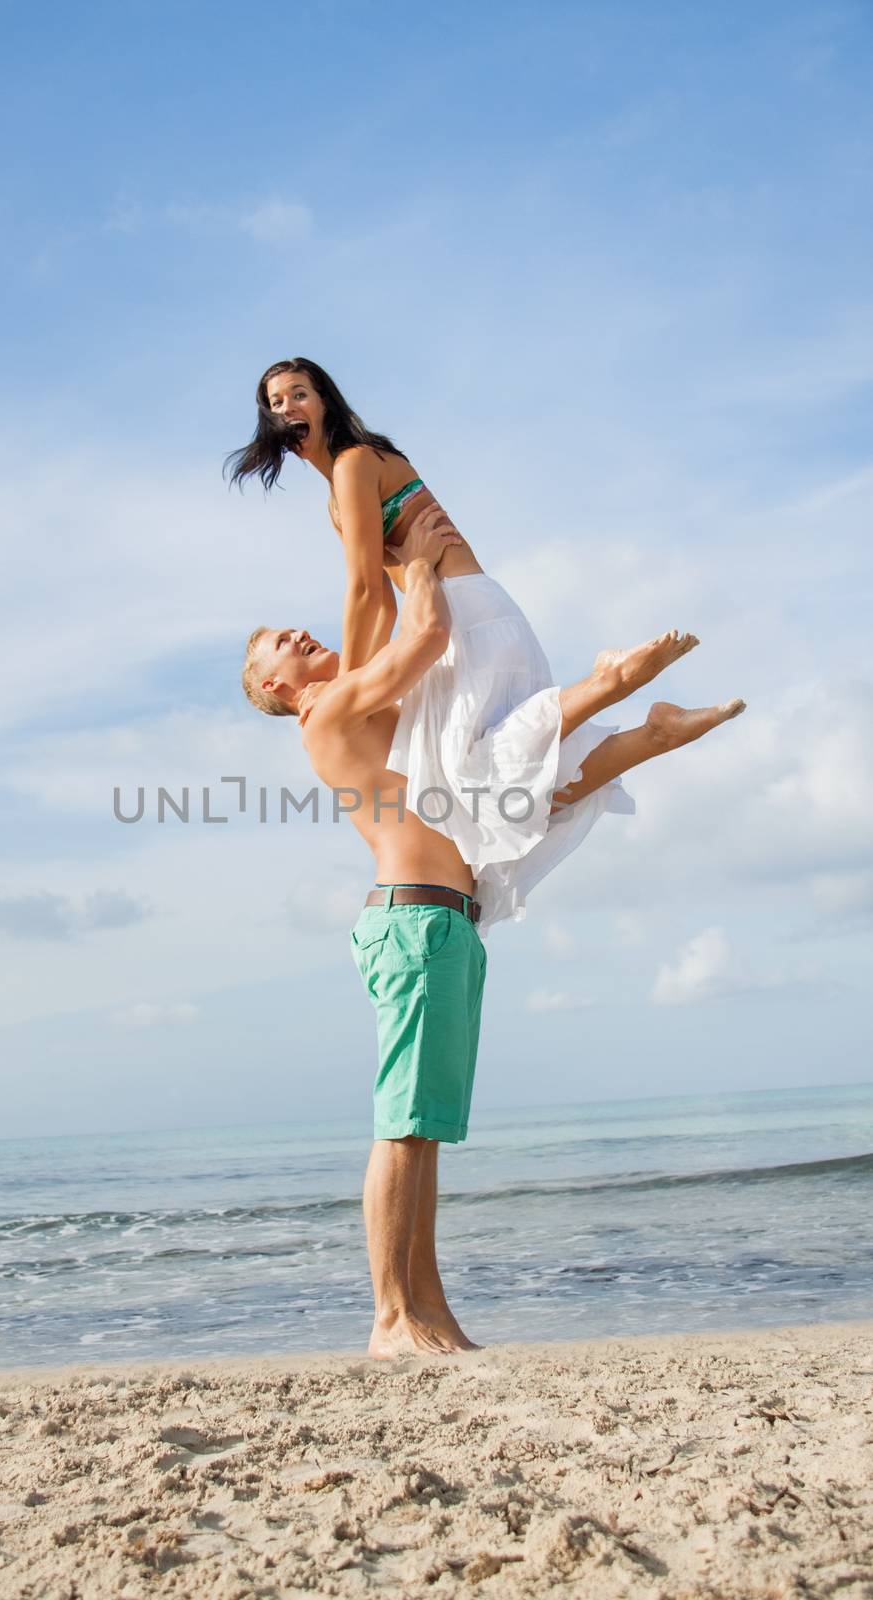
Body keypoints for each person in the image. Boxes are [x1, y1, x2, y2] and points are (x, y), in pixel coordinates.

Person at [242, 506, 744, 1355]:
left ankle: (429, 1313)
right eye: (275, 648)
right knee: (401, 1125)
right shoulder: (325, 717)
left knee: (424, 1130)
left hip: (444, 922)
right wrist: (423, 569)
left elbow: (420, 670)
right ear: (276, 692)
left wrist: (384, 555)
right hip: (413, 924)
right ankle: (390, 1318)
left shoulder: (371, 712)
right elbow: (425, 636)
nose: (294, 635)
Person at [229, 360, 745, 927]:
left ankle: (610, 682)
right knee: (495, 801)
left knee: (473, 780)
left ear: (324, 400)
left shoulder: (353, 465)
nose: (288, 409)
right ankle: (655, 733)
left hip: (460, 613)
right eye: (275, 403)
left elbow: (365, 590)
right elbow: (380, 601)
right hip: (474, 607)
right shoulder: (341, 490)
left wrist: (355, 689)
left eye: (298, 394)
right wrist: (361, 690)